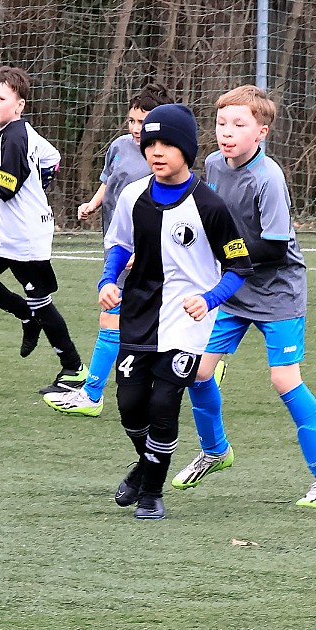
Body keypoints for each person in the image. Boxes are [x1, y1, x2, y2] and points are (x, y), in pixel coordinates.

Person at [172, 85, 316, 507]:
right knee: (197, 371)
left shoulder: (268, 178)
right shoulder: (214, 165)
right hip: (236, 288)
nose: (226, 132)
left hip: (278, 292)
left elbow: (273, 248)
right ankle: (215, 452)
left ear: (261, 132)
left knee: (284, 379)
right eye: (221, 123)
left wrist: (223, 256)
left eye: (238, 124)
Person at [99, 103, 252, 520]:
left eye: (167, 144)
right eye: (151, 144)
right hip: (140, 313)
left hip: (187, 322)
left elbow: (239, 266)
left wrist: (209, 299)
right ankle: (146, 465)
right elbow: (120, 246)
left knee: (164, 403)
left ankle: (151, 494)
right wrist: (108, 281)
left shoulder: (209, 205)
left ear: (186, 149)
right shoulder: (133, 196)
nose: (157, 151)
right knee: (131, 405)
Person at [44, 83, 175, 416]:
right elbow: (109, 180)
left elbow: (165, 211)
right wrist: (93, 203)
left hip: (142, 253)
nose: (136, 128)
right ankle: (200, 365)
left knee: (113, 317)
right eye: (132, 120)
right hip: (117, 247)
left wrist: (143, 250)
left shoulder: (162, 159)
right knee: (143, 321)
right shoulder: (119, 146)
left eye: (143, 122)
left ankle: (92, 394)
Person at [0, 66, 85, 395]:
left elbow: (4, 188)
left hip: (25, 236)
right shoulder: (16, 132)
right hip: (6, 230)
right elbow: (53, 158)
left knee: (42, 303)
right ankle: (24, 314)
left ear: (20, 105)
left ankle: (73, 368)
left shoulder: (14, 137)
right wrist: (37, 188)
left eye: (1, 98)